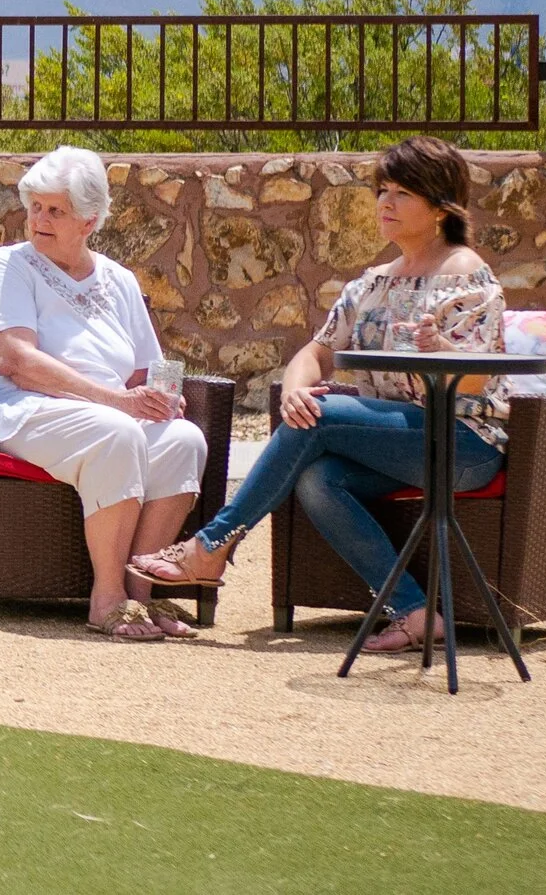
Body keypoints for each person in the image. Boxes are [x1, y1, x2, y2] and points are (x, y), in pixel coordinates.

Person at [130, 136, 504, 654]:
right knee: (318, 479)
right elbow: (315, 352)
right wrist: (295, 391)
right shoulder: (371, 283)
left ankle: (212, 544)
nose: (386, 203)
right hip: (396, 444)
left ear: (441, 207)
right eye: (382, 191)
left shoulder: (464, 273)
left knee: (321, 415)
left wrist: (442, 350)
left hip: (462, 445)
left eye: (402, 193)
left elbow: (480, 380)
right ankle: (416, 612)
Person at [0, 145, 210, 641]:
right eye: (35, 206)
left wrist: (162, 397)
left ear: (90, 220)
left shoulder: (120, 280)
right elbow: (14, 360)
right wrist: (117, 401)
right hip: (28, 408)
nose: (39, 219)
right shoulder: (12, 264)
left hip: (108, 415)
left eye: (55, 211)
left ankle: (141, 594)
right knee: (117, 431)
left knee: (184, 439)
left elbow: (145, 370)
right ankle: (107, 599)